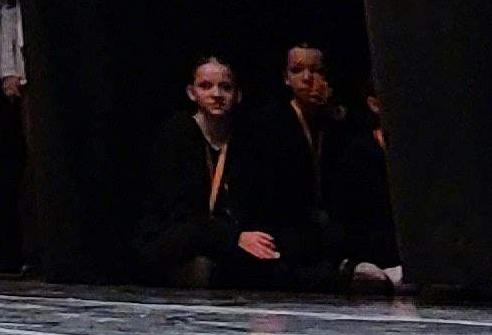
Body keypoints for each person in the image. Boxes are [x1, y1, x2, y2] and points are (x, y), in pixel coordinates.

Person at [137, 57, 296, 288]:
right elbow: (178, 214)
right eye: (206, 86)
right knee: (196, 255)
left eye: (226, 87)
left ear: (238, 95)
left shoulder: (246, 141)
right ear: (192, 93)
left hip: (224, 238)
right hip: (178, 237)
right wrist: (234, 237)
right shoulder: (176, 135)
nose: (217, 94)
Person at [242, 43, 391, 286]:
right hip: (286, 220)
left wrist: (332, 112)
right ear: (286, 78)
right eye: (298, 70)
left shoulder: (336, 121)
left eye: (316, 71)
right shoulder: (270, 123)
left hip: (330, 218)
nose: (308, 78)